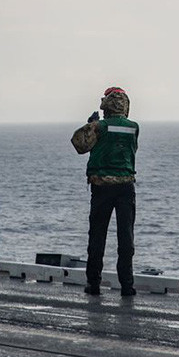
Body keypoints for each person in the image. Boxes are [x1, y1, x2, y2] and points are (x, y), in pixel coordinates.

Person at [71, 86, 139, 297]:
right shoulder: (134, 127)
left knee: (98, 236)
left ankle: (94, 284)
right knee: (126, 237)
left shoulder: (99, 127)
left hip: (102, 187)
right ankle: (127, 286)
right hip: (126, 186)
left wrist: (91, 124)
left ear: (105, 105)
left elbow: (79, 145)